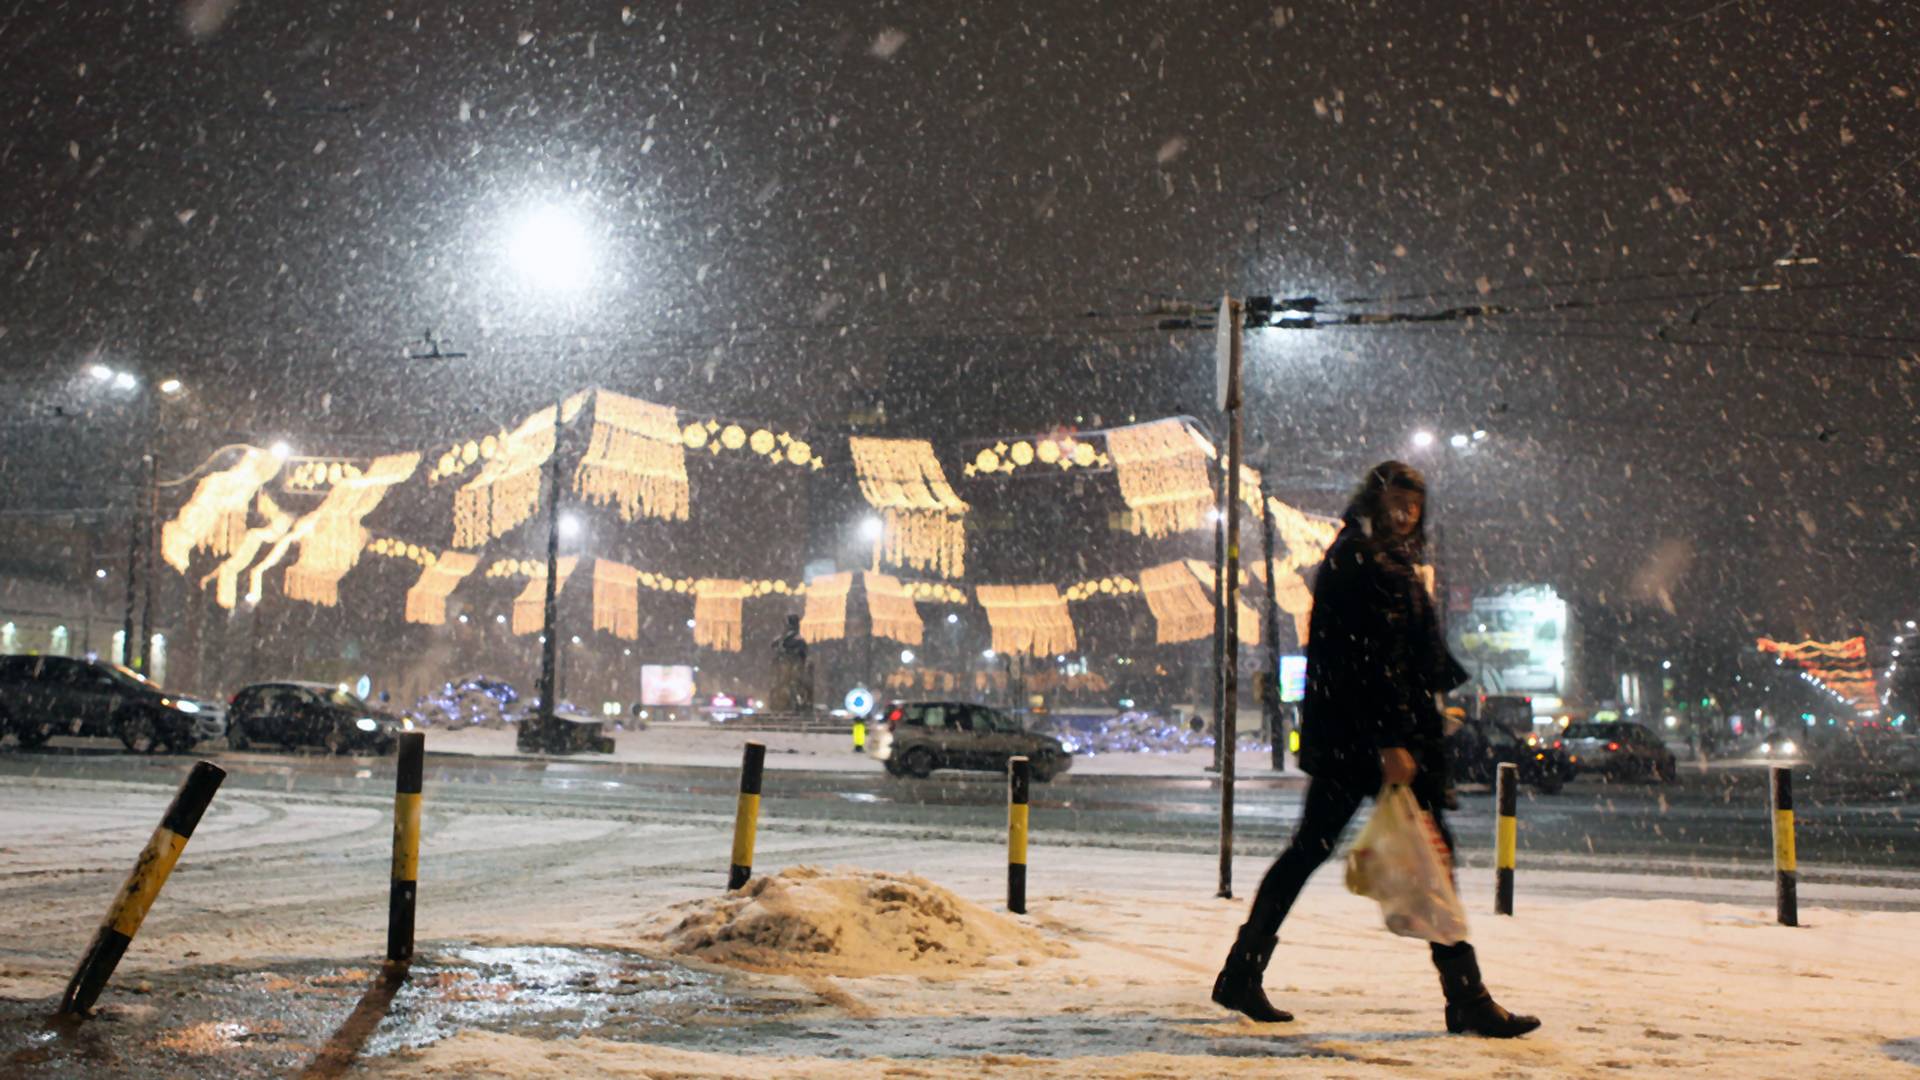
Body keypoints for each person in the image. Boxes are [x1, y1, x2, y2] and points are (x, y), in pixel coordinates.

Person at [1211, 460, 1540, 1039]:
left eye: (1415, 504)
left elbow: (1404, 651)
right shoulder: (1359, 559)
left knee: (1371, 852)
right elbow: (1367, 660)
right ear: (1376, 499)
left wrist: (1431, 703)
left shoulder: (1384, 557)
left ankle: (1245, 971)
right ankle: (1464, 997)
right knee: (1349, 852)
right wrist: (1391, 738)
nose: (1407, 513)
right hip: (1366, 741)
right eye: (1398, 502)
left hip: (1373, 735)